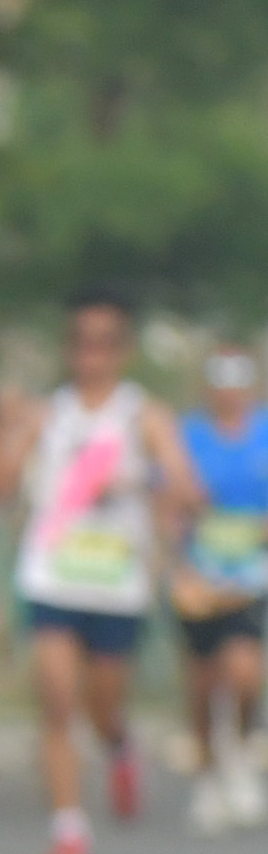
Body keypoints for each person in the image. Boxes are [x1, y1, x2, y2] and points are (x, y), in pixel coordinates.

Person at [0, 291, 192, 854]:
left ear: (122, 350)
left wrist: (141, 480)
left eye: (104, 344)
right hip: (52, 578)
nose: (90, 356)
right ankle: (69, 830)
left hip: (116, 586)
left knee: (103, 704)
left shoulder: (143, 417)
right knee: (55, 698)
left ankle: (119, 746)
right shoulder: (47, 416)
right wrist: (2, 430)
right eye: (80, 343)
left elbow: (188, 489)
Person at [169, 345, 268, 828]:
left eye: (238, 383)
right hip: (200, 577)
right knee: (204, 682)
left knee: (245, 671)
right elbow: (168, 501)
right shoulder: (188, 436)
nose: (230, 393)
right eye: (221, 383)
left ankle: (243, 753)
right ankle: (208, 774)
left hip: (252, 576)